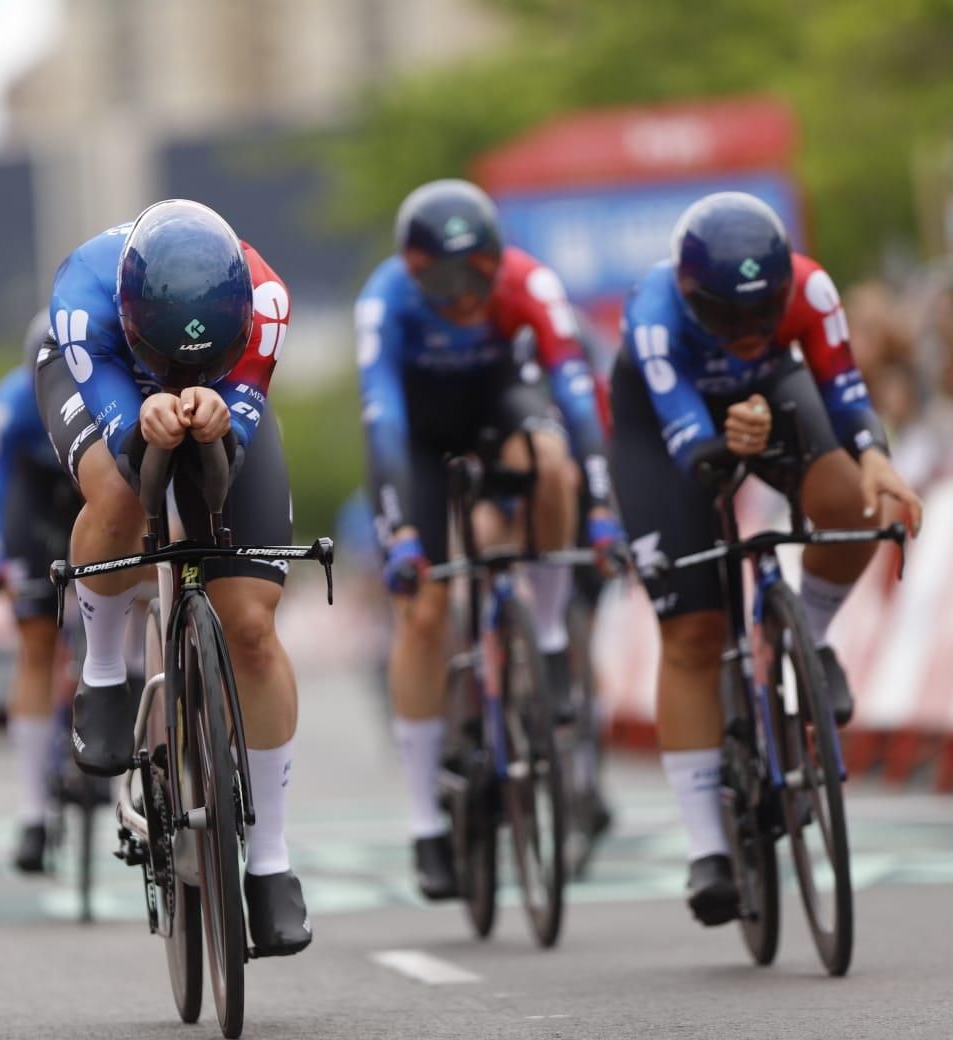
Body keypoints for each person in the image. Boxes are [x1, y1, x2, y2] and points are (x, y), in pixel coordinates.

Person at [608, 191, 924, 926]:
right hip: (667, 434)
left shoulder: (811, 290)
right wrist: (727, 441)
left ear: (785, 287)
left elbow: (844, 389)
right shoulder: (653, 313)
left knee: (849, 501)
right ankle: (707, 847)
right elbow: (690, 442)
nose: (750, 333)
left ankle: (808, 637)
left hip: (772, 397)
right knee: (691, 633)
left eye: (765, 315)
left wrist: (875, 455)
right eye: (727, 318)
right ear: (691, 297)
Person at [38, 198, 310, 955]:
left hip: (223, 395)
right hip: (108, 381)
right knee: (124, 494)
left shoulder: (268, 300)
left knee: (251, 628)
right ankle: (101, 671)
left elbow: (223, 465)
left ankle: (274, 864)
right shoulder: (83, 298)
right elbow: (132, 450)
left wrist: (227, 413)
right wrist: (141, 419)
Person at [355, 179, 619, 901]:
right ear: (413, 272)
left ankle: (548, 640)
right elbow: (383, 424)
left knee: (553, 467)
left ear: (497, 263)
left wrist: (600, 509)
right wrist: (404, 535)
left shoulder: (530, 283)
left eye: (477, 275)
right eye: (442, 280)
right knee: (427, 613)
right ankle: (425, 826)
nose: (464, 295)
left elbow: (573, 392)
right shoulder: (385, 304)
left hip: (500, 405)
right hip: (419, 434)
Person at [0, 314, 84, 874]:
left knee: (127, 598)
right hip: (34, 505)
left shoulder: (104, 390)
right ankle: (32, 814)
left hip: (94, 493)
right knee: (37, 641)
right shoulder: (8, 405)